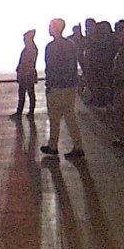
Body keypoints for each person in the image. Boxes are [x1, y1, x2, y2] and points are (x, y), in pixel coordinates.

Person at [42, 18, 84, 159]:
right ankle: (78, 146)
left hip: (56, 86)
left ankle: (53, 145)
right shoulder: (71, 45)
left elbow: (51, 68)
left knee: (54, 117)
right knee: (69, 116)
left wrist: (49, 84)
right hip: (70, 85)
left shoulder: (51, 47)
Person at [13, 29, 38, 119]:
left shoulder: (30, 49)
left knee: (27, 93)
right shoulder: (31, 48)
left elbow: (27, 63)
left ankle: (26, 112)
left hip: (27, 74)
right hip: (26, 74)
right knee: (27, 93)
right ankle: (27, 111)